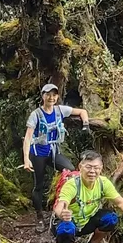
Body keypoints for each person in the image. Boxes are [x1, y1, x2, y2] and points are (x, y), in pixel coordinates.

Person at [53, 150, 123, 243]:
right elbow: (61, 205)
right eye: (88, 167)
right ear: (80, 167)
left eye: (96, 168)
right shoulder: (72, 185)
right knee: (66, 228)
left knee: (111, 218)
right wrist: (62, 213)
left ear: (101, 168)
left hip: (87, 221)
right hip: (70, 222)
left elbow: (120, 202)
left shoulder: (103, 183)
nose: (92, 171)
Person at [23, 83, 91, 232]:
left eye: (54, 95)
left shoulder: (61, 110)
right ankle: (40, 217)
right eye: (48, 94)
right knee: (38, 185)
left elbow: (82, 111)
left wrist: (86, 124)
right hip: (38, 153)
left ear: (57, 96)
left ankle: (64, 206)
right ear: (43, 96)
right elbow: (28, 138)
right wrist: (26, 159)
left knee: (71, 171)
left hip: (54, 151)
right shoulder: (36, 115)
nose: (51, 97)